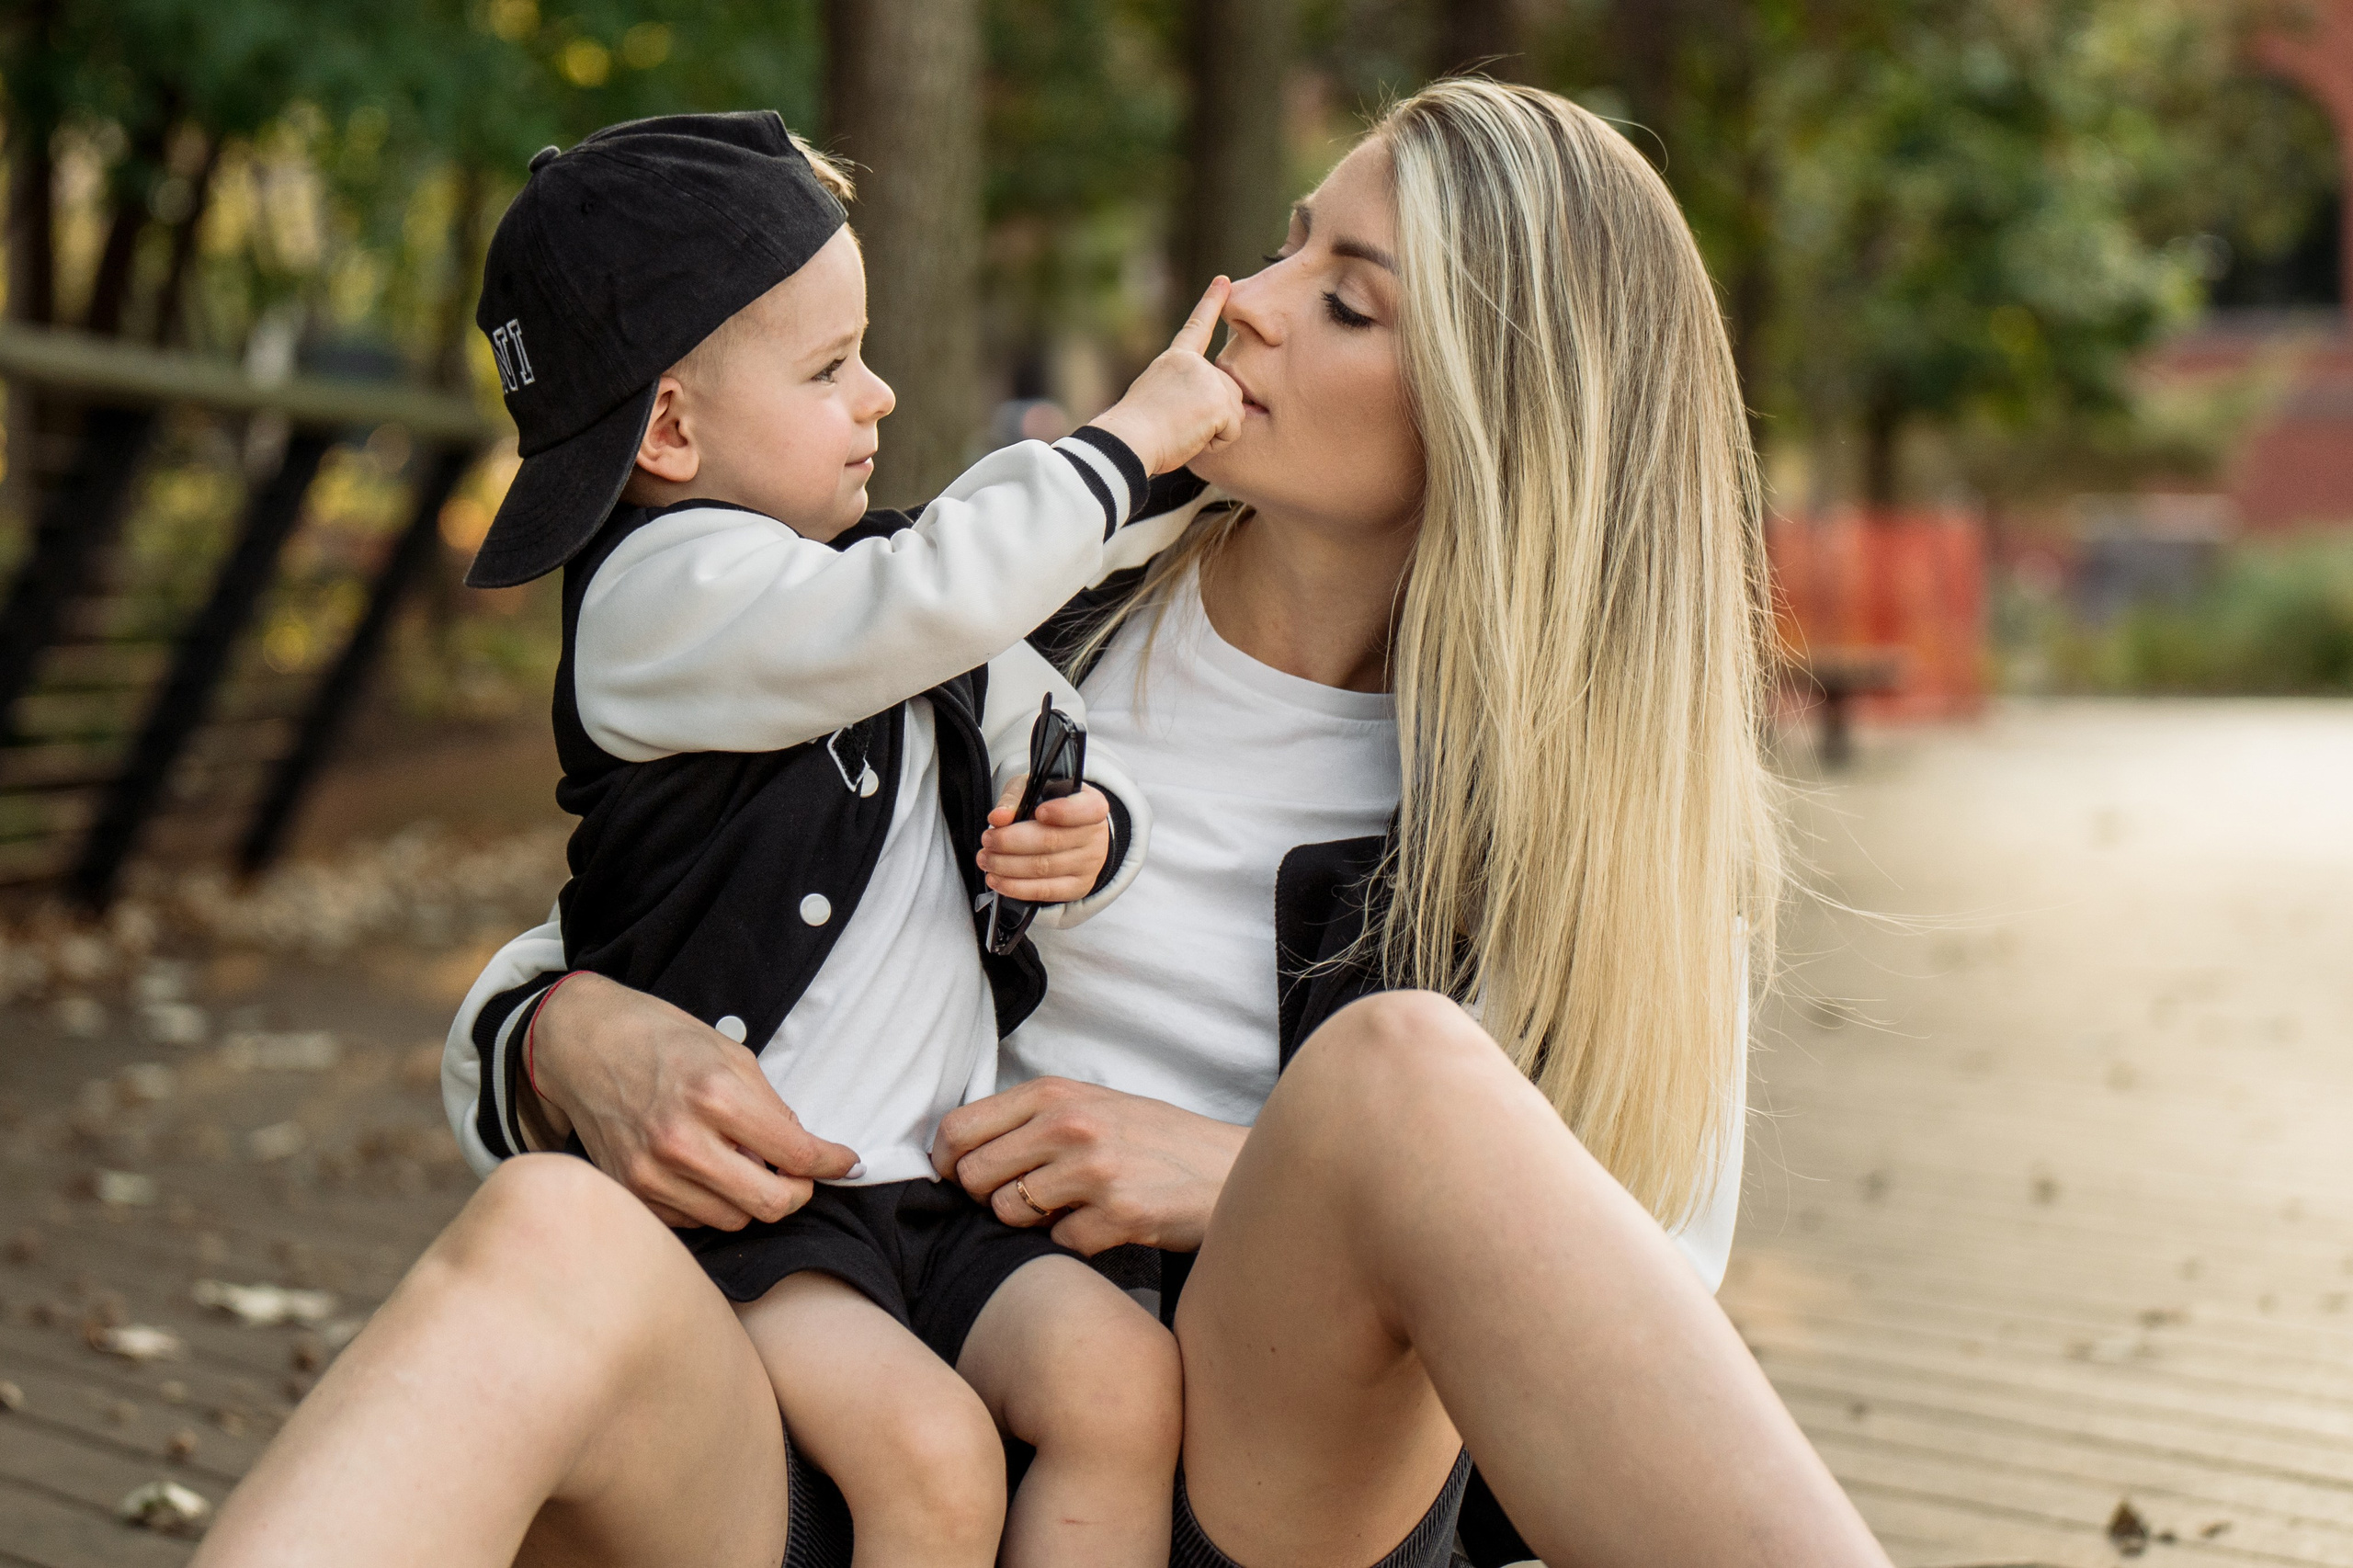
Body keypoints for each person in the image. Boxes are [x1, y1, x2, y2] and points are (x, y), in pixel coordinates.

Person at [194, 82, 1893, 1568]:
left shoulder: (1584, 815)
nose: (1249, 302)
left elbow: (1631, 1288)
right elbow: (664, 905)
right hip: (866, 1409)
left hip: (1266, 1490)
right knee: (549, 1235)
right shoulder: (994, 613)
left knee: (1405, 1080)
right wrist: (553, 1035)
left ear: (1504, 417)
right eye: (1291, 243)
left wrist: (1245, 1184)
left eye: (1349, 302)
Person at [426, 110, 1248, 1568]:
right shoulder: (655, 604)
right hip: (760, 1212)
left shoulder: (848, 586)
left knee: (1120, 1385)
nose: (878, 397)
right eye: (829, 368)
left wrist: (1081, 818)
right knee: (931, 1462)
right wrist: (1126, 448)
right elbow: (926, 601)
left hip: (934, 1183)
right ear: (669, 428)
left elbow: (1012, 689)